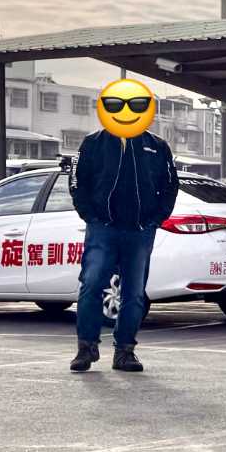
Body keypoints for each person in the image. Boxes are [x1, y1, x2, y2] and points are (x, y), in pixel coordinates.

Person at [70, 80, 179, 373]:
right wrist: (91, 216)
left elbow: (171, 186)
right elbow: (77, 182)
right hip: (102, 229)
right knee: (91, 285)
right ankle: (86, 347)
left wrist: (154, 219)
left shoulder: (157, 147)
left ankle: (125, 352)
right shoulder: (92, 144)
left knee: (134, 292)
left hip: (140, 231)